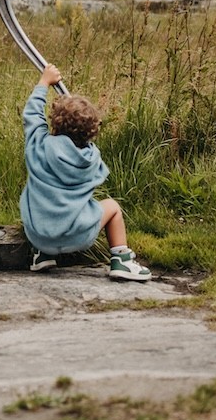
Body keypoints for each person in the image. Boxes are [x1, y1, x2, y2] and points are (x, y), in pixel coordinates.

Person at [19, 64, 152, 281]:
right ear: (91, 131)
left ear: (54, 122)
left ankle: (42, 254)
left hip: (39, 233)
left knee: (33, 196)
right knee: (113, 208)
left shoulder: (39, 147)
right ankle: (122, 261)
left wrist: (44, 82)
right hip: (78, 235)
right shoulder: (91, 159)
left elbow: (32, 115)